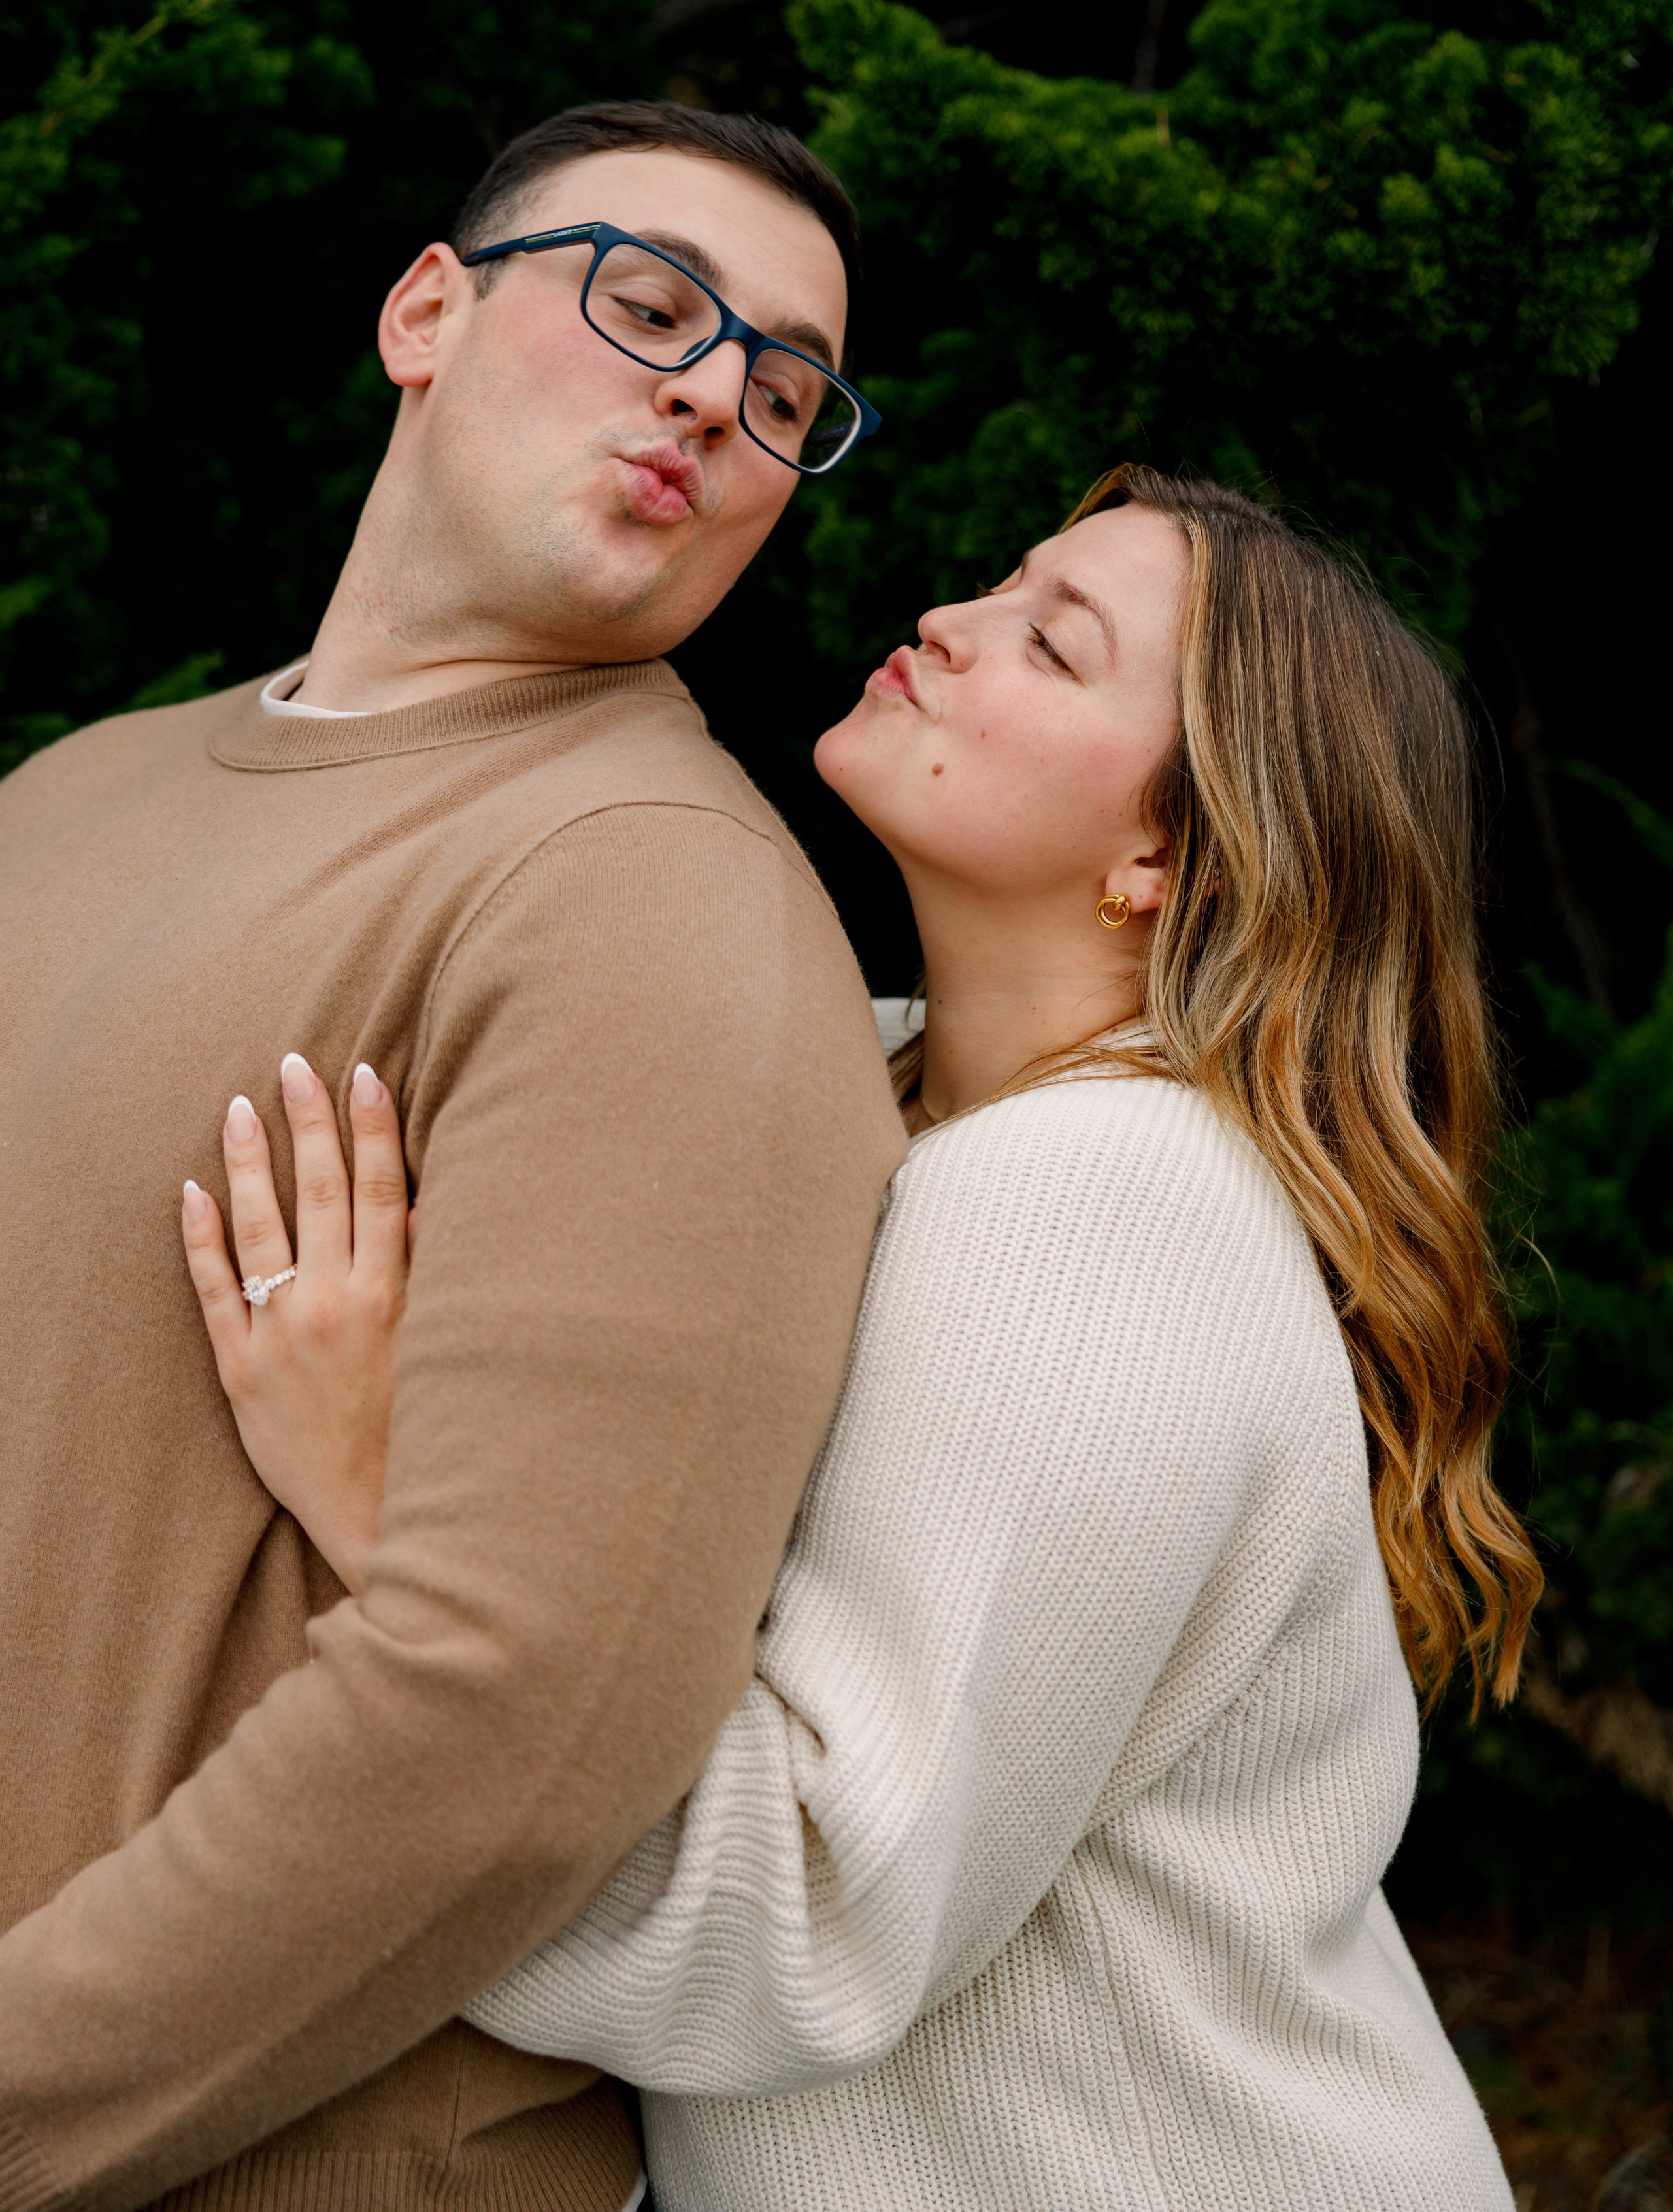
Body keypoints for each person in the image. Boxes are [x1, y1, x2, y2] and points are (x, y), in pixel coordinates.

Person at [174, 465, 1539, 2211]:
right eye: (1004, 580)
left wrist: (379, 1507)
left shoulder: (1105, 1205)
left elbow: (801, 1925)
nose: (951, 623)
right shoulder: (878, 1102)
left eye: (1052, 644)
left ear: (1162, 857)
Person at [0, 105, 906, 2212]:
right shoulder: (73, 794)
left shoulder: (653, 904)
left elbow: (517, 1733)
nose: (709, 391)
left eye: (784, 392)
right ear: (427, 311)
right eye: (648, 303)